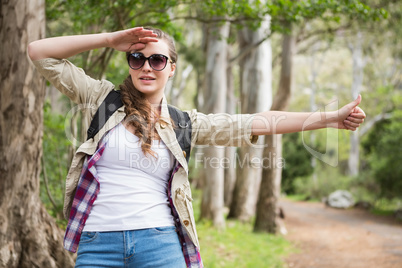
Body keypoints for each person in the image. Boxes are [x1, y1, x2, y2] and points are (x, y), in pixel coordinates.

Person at [28, 27, 365, 268]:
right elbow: (39, 52)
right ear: (129, 61)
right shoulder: (100, 99)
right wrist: (108, 39)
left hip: (159, 244)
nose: (147, 66)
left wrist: (330, 118)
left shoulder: (185, 124)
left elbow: (259, 120)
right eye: (137, 58)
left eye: (157, 60)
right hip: (98, 243)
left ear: (171, 68)